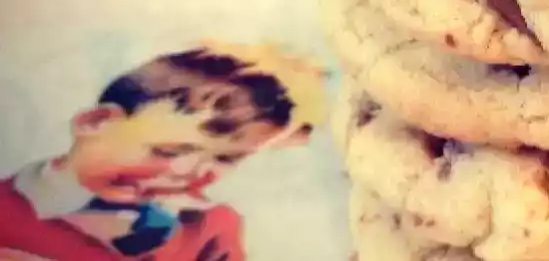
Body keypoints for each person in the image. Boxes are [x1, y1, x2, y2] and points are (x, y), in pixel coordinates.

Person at [0, 42, 325, 261]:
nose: (191, 173)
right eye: (169, 151)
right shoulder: (8, 209)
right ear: (95, 122)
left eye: (225, 158)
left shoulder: (205, 230)